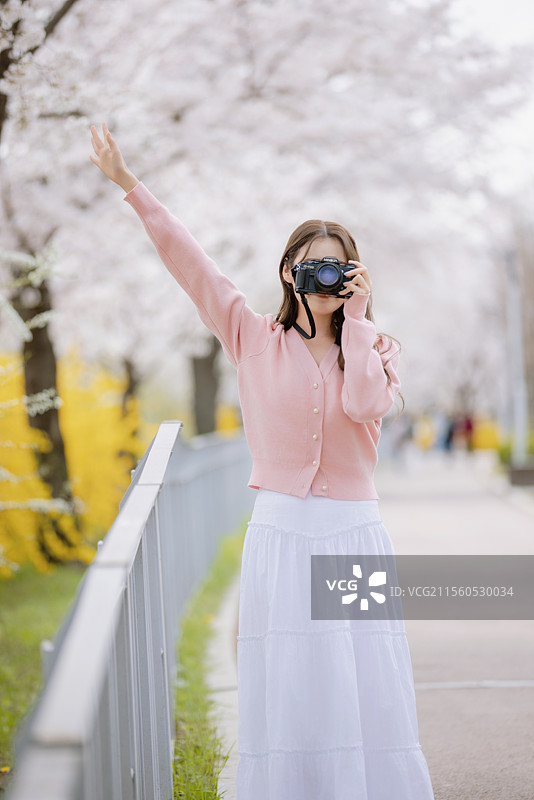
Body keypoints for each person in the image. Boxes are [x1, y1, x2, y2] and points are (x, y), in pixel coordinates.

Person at [89, 122, 435, 800]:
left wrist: (359, 320)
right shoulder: (250, 336)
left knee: (366, 674)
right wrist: (131, 186)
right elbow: (193, 265)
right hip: (280, 532)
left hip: (355, 534)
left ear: (356, 275)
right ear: (287, 272)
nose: (326, 277)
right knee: (290, 677)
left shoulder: (375, 347)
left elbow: (365, 405)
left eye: (340, 266)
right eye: (314, 265)